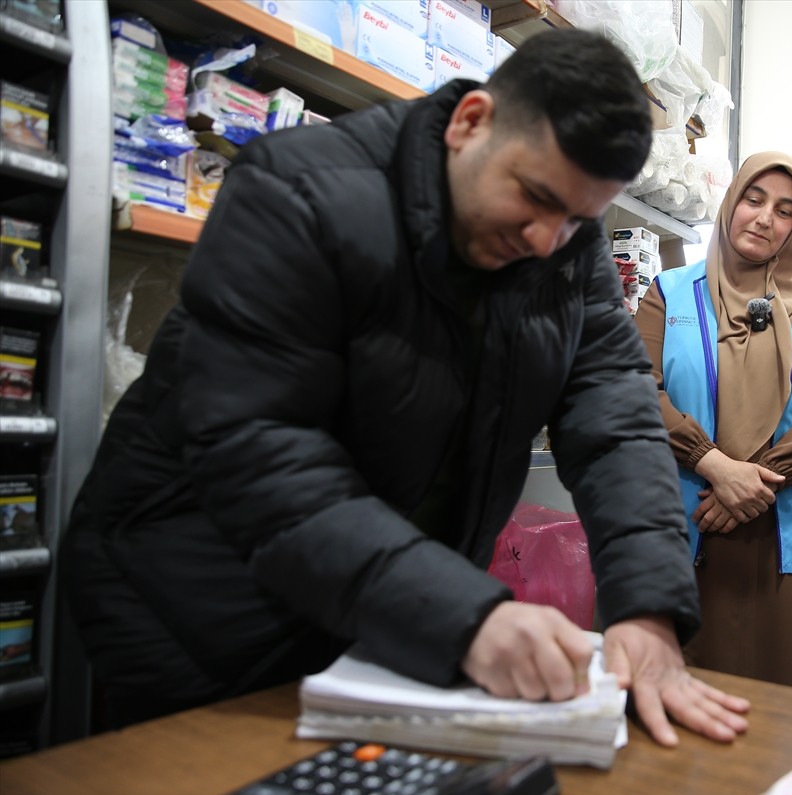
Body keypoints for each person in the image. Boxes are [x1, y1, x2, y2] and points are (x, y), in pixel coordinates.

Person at [61, 28, 749, 745]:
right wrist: (463, 615)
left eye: (578, 218)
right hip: (202, 611)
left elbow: (617, 423)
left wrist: (648, 609)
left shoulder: (563, 247)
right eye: (537, 197)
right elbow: (257, 453)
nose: (549, 239)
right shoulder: (297, 193)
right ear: (471, 122)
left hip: (370, 615)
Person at [633, 152, 792, 691]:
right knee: (683, 700)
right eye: (754, 200)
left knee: (782, 707)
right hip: (690, 525)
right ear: (731, 203)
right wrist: (712, 464)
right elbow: (635, 387)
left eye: (784, 210)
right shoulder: (670, 292)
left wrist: (754, 480)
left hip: (785, 531)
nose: (764, 218)